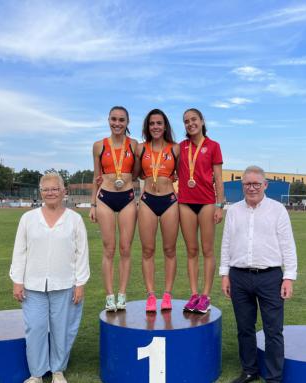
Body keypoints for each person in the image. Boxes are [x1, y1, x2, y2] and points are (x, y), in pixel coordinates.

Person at [219, 165, 297, 383]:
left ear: (265, 185)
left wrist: (289, 276)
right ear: (242, 185)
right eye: (247, 184)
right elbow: (226, 244)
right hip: (239, 276)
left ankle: (273, 379)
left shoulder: (277, 210)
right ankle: (250, 370)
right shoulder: (233, 211)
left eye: (255, 183)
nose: (251, 187)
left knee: (273, 330)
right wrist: (225, 274)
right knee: (245, 328)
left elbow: (288, 245)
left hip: (270, 277)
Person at [10, 172, 90, 383]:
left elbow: (81, 253)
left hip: (65, 284)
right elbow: (20, 251)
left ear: (64, 191)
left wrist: (80, 282)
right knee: (34, 328)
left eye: (55, 188)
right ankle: (36, 375)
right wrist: (17, 280)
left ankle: (57, 371)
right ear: (40, 193)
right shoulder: (28, 219)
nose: (51, 192)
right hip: (33, 285)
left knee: (61, 329)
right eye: (46, 189)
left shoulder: (74, 219)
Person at [90, 106, 140, 311]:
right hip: (105, 198)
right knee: (109, 249)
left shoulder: (134, 145)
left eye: (121, 120)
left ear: (127, 122)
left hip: (127, 197)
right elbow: (96, 176)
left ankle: (122, 293)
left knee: (125, 249)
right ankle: (109, 295)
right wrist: (93, 203)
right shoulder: (98, 146)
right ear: (108, 120)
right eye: (114, 119)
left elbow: (137, 173)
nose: (117, 123)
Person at [177, 108, 225, 314]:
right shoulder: (180, 147)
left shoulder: (213, 146)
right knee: (191, 251)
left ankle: (205, 295)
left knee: (207, 250)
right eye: (186, 121)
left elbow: (219, 179)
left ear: (202, 121)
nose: (190, 124)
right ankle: (194, 294)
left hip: (206, 202)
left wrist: (219, 205)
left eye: (193, 119)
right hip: (185, 202)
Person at [137, 109, 180, 312]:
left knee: (170, 250)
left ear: (165, 126)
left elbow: (183, 172)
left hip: (170, 201)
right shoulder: (140, 148)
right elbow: (133, 172)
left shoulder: (175, 149)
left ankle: (167, 295)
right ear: (148, 126)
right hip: (147, 201)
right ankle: (151, 295)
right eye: (152, 123)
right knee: (148, 250)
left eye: (159, 123)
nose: (155, 126)